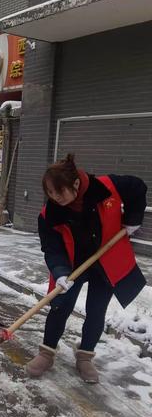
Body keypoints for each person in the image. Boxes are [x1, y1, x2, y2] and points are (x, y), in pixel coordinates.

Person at [27, 154, 147, 383]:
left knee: (96, 310)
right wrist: (60, 271)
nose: (54, 198)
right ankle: (46, 353)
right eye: (50, 193)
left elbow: (138, 187)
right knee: (59, 307)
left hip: (105, 261)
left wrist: (133, 219)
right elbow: (51, 247)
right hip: (72, 265)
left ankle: (85, 357)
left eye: (58, 192)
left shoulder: (106, 187)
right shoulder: (49, 214)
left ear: (75, 184)